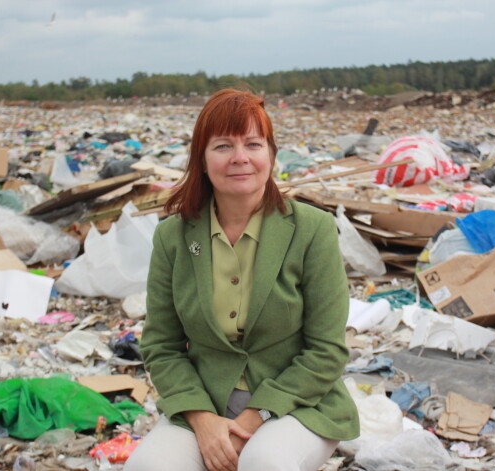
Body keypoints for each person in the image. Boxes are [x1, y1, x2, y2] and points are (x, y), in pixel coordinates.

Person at [124, 88, 359, 471]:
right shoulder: (174, 236)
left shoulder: (312, 230)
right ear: (201, 160)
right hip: (206, 403)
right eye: (222, 146)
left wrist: (252, 419)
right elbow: (162, 345)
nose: (240, 158)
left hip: (297, 403)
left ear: (271, 155)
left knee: (264, 462)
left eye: (253, 144)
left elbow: (326, 351)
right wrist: (202, 421)